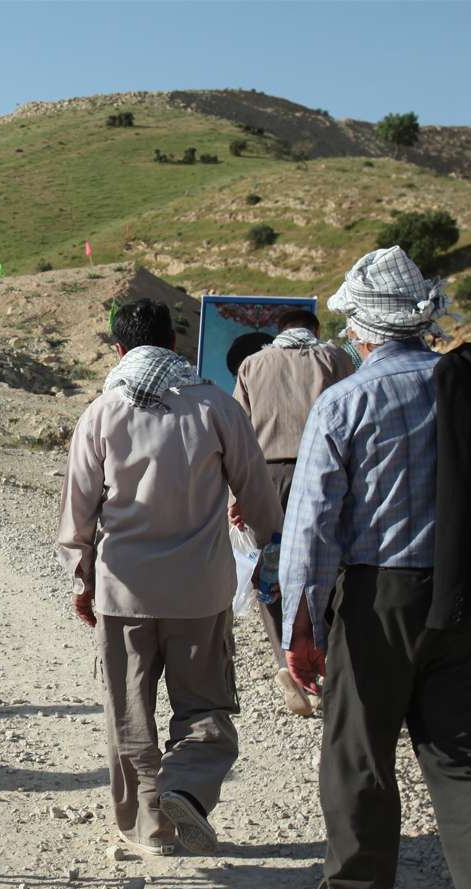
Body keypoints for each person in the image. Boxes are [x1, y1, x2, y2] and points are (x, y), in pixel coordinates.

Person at [280, 246, 471, 889]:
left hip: (378, 599)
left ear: (361, 330)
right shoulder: (467, 387)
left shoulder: (344, 402)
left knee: (357, 745)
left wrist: (299, 627)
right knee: (468, 758)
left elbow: (311, 528)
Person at [57, 298, 281, 858]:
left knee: (129, 711)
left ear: (118, 349)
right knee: (205, 703)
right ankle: (187, 787)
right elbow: (258, 495)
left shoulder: (101, 413)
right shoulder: (215, 408)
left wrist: (83, 581)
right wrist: (261, 539)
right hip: (201, 592)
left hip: (123, 590)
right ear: (175, 344)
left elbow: (78, 514)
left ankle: (146, 830)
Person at [231, 308, 354, 715]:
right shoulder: (334, 358)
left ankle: (285, 659)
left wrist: (237, 495)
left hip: (265, 477)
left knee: (270, 570)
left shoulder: (253, 364)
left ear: (278, 331)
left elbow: (240, 432)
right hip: (324, 470)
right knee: (332, 566)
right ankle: (328, 659)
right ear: (314, 330)